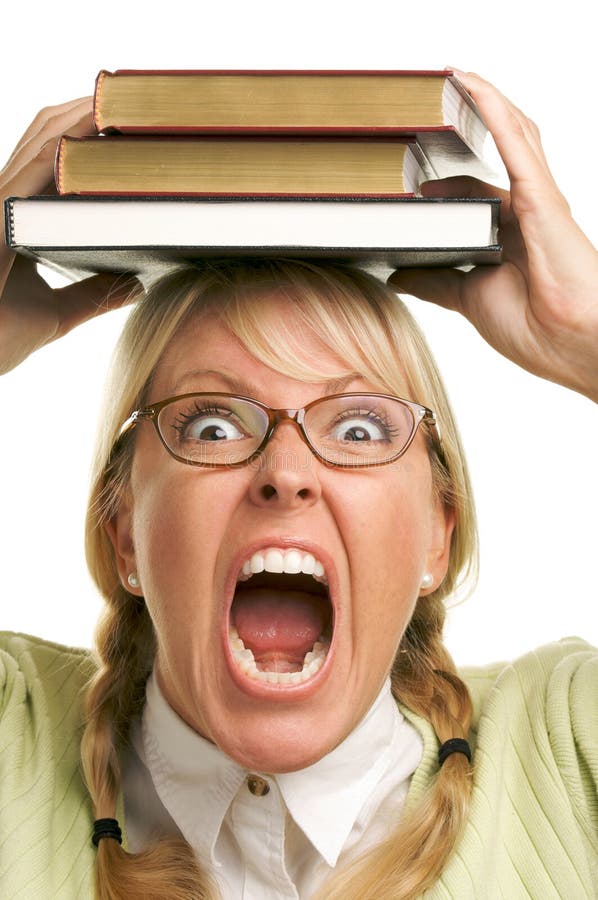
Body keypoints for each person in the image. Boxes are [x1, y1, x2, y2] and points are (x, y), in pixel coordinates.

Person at [0, 72, 596, 900]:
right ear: (123, 532)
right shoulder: (11, 739)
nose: (285, 475)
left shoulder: (569, 751)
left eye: (357, 428)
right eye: (212, 425)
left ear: (439, 534)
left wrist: (588, 333)